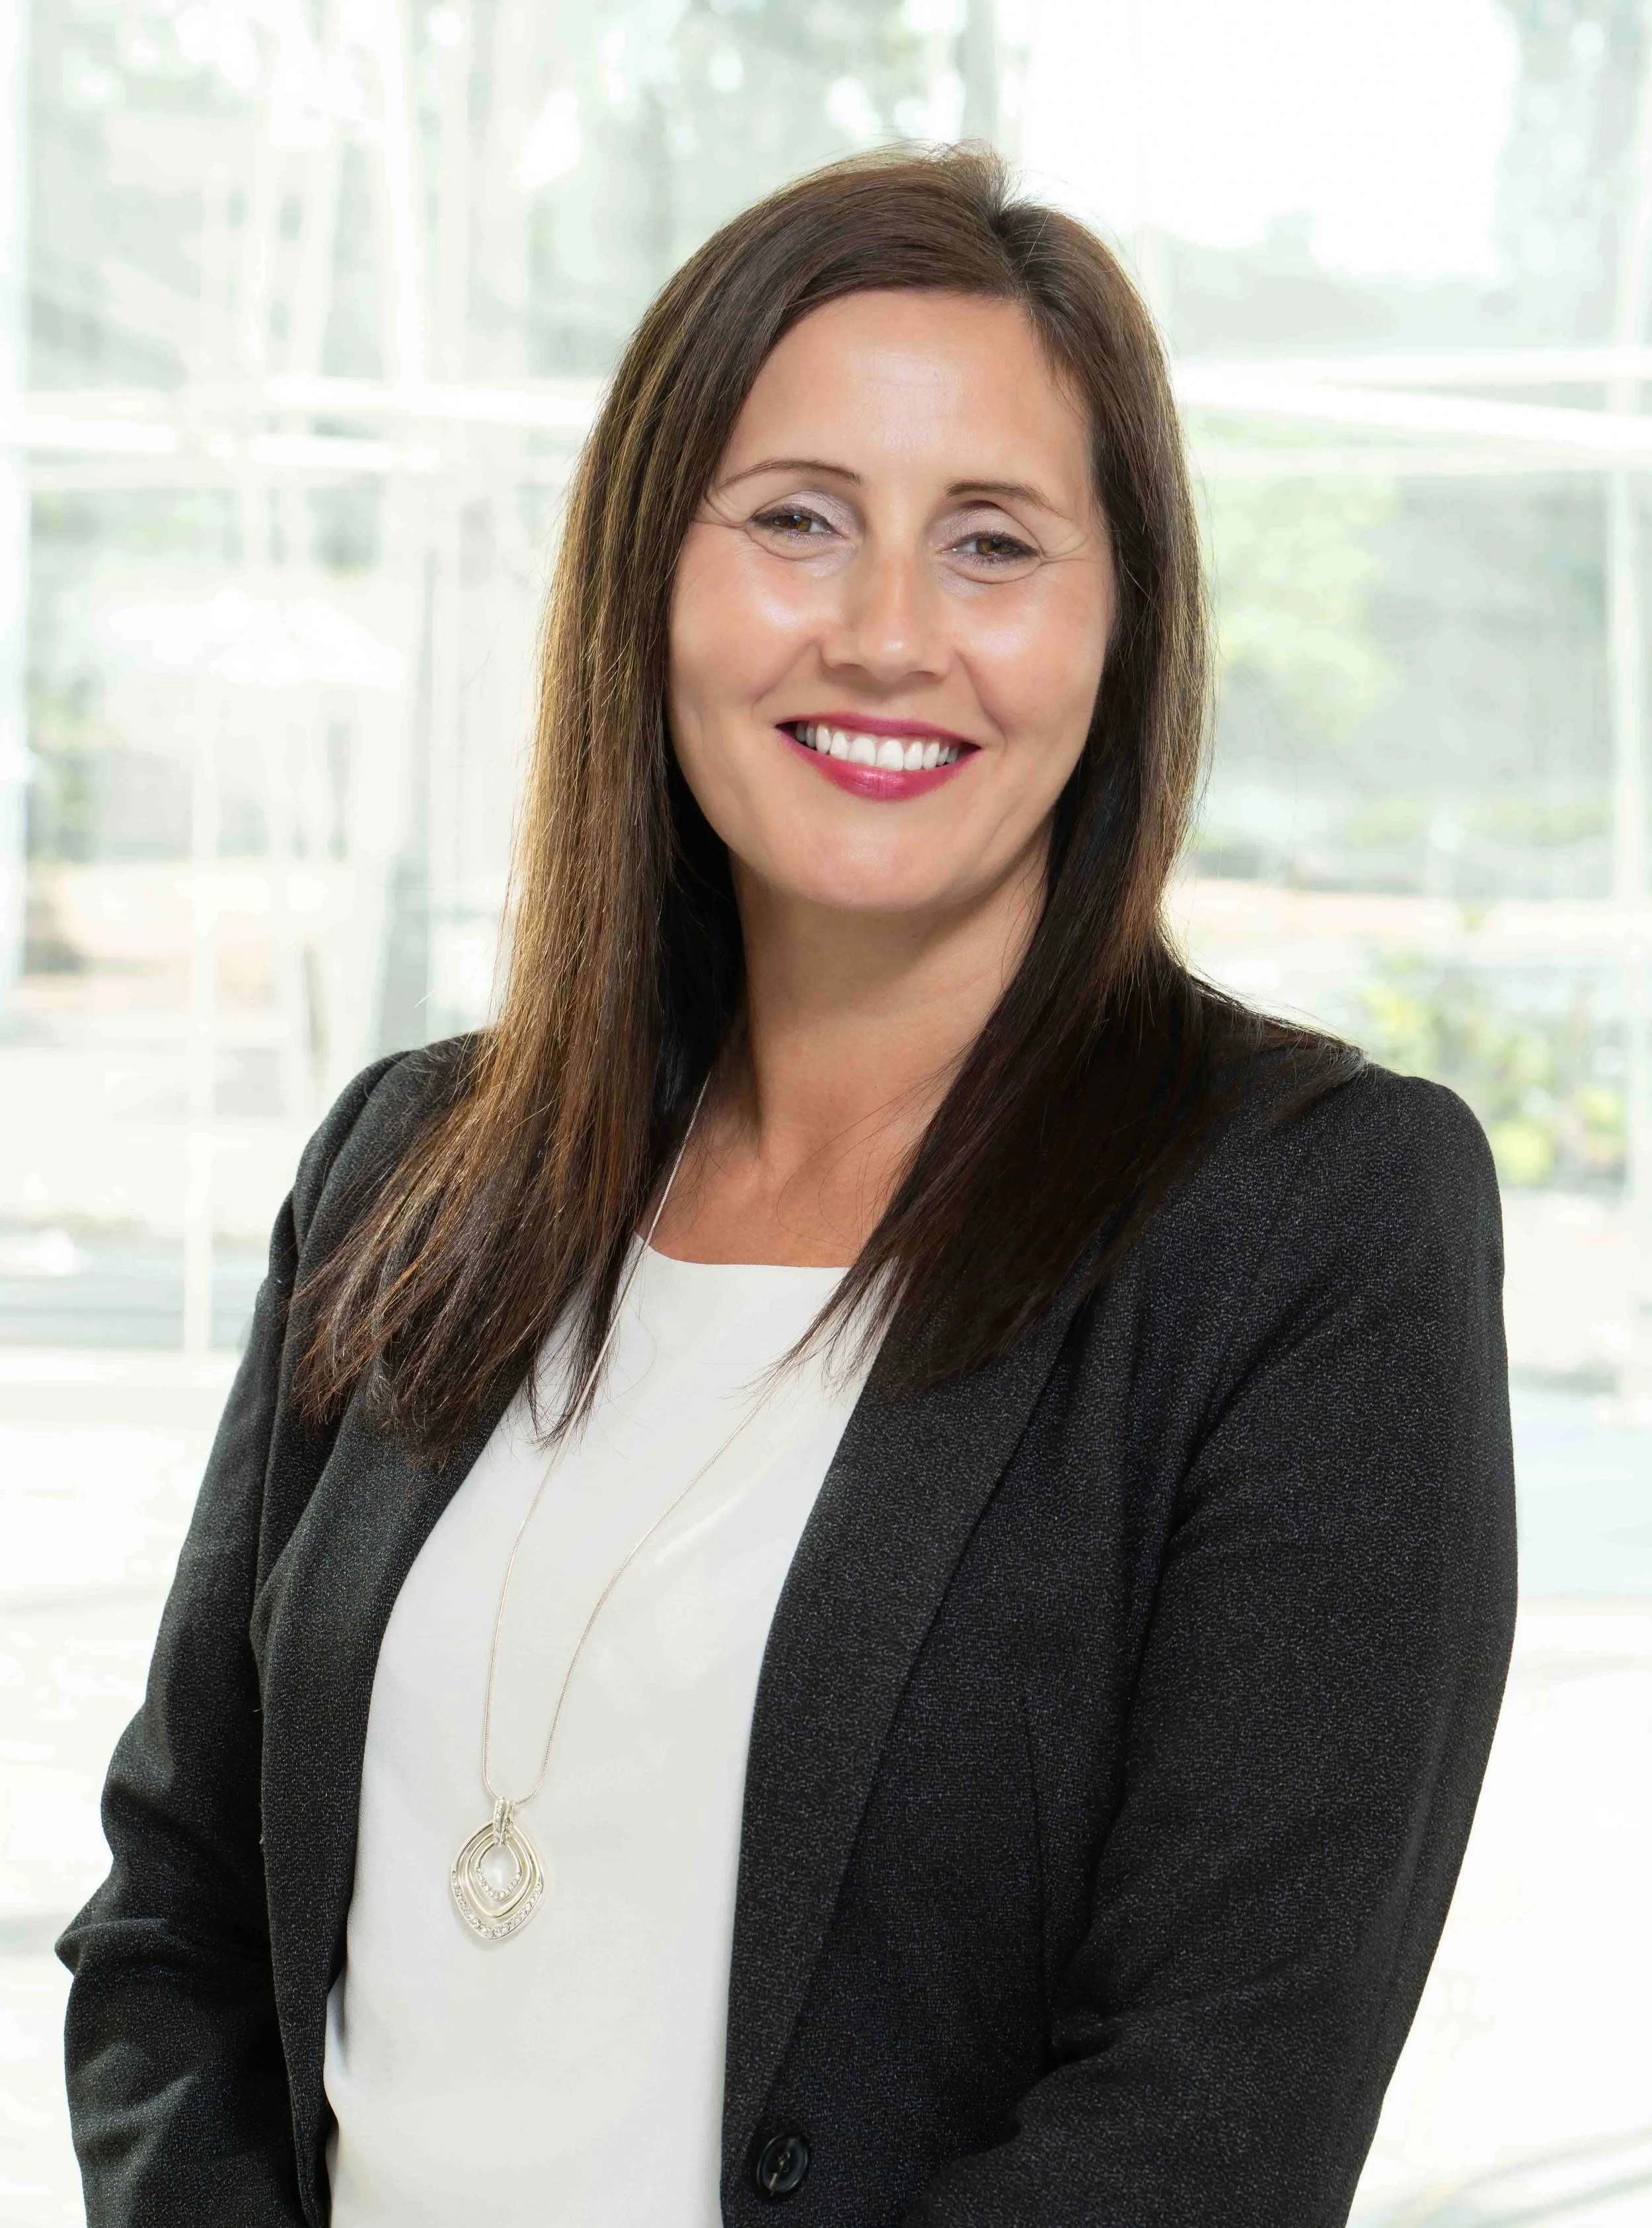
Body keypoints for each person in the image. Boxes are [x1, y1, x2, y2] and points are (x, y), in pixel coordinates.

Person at [57, 143, 1517, 2228]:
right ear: (650, 570)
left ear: (1122, 630)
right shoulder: (409, 1163)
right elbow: (173, 1919)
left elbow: (1213, 2114)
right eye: (796, 521)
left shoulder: (1308, 1222)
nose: (887, 631)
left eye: (994, 543)